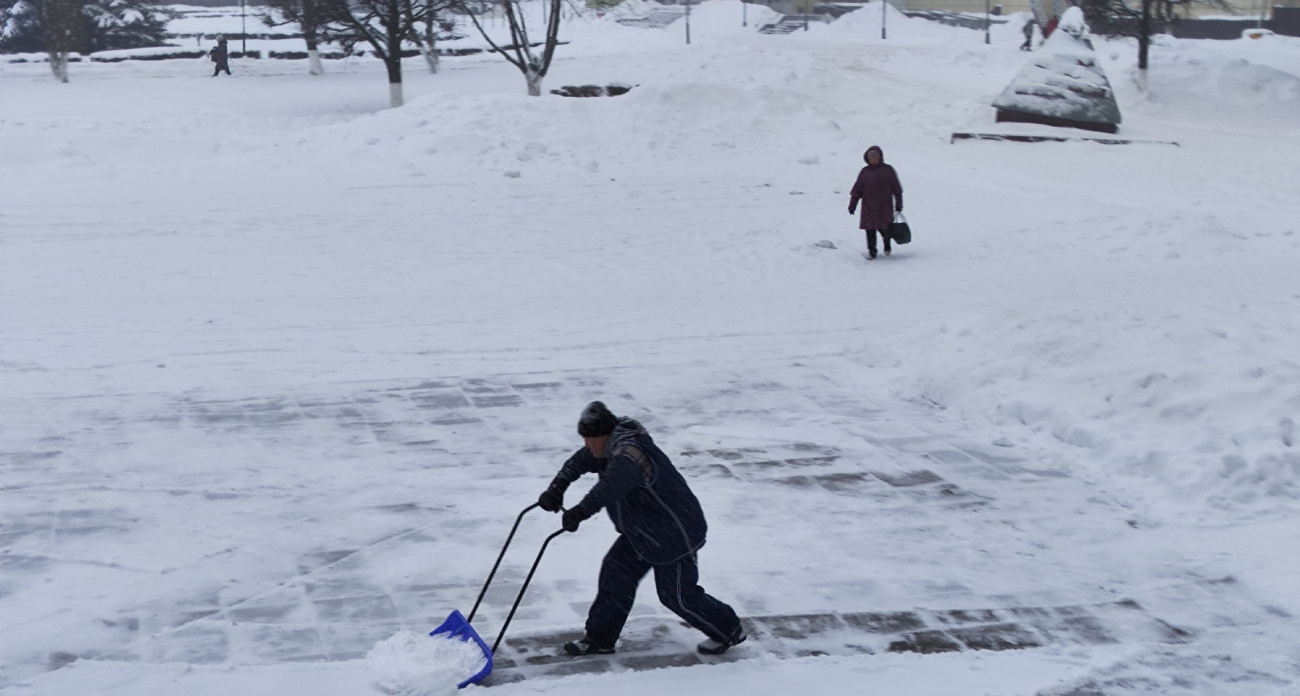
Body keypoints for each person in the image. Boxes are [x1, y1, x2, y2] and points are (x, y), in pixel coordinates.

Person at [538, 401, 747, 657]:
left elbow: (608, 489)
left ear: (603, 435)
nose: (586, 446)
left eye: (589, 440)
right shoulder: (608, 447)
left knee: (678, 596)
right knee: (615, 576)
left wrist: (579, 513)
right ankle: (600, 639)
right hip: (642, 531)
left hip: (674, 534)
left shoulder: (630, 455)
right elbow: (580, 461)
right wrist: (556, 487)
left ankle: (729, 629)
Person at [848, 145, 903, 259]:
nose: (873, 159)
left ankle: (887, 247)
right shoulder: (864, 172)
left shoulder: (888, 170)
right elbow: (857, 190)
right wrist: (852, 205)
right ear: (867, 158)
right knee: (870, 230)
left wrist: (899, 204)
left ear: (880, 157)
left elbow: (897, 189)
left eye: (875, 156)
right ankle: (872, 251)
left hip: (884, 206)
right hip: (868, 207)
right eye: (871, 157)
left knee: (885, 229)